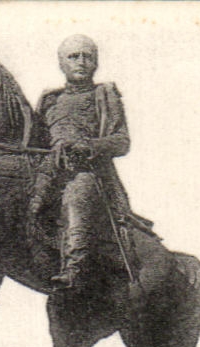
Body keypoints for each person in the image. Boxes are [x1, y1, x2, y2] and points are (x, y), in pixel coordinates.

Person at [29, 35, 135, 291]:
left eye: (88, 56)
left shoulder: (104, 94)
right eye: (74, 56)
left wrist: (87, 146)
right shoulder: (49, 100)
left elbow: (122, 141)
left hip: (85, 171)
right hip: (48, 172)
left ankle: (73, 269)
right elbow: (36, 141)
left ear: (96, 63)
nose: (81, 62)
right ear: (61, 63)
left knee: (77, 197)